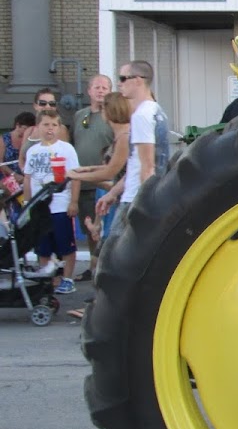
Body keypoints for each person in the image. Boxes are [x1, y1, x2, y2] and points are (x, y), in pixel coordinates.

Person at [96, 61, 171, 241]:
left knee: (112, 256)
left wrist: (145, 206)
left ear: (137, 80)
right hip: (138, 196)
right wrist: (113, 194)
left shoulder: (141, 116)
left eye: (123, 78)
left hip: (134, 200)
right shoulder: (156, 110)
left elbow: (147, 167)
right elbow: (137, 164)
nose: (120, 83)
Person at [23, 110, 80, 295]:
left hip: (60, 205)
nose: (50, 129)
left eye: (54, 125)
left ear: (59, 128)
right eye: (46, 124)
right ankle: (46, 279)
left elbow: (75, 177)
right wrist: (27, 203)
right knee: (43, 247)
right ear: (38, 127)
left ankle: (68, 279)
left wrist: (74, 201)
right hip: (39, 208)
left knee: (65, 244)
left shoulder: (66, 149)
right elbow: (27, 179)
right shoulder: (32, 151)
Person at [71, 75, 114, 282]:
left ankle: (104, 268)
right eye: (97, 87)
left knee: (108, 228)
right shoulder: (80, 116)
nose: (100, 91)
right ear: (89, 91)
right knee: (89, 226)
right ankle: (92, 266)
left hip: (107, 183)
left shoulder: (113, 116)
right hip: (84, 183)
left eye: (105, 87)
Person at [2, 111, 35, 181]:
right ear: (17, 125)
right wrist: (14, 175)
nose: (28, 132)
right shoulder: (4, 139)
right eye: (25, 129)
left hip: (27, 175)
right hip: (8, 176)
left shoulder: (31, 140)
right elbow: (1, 163)